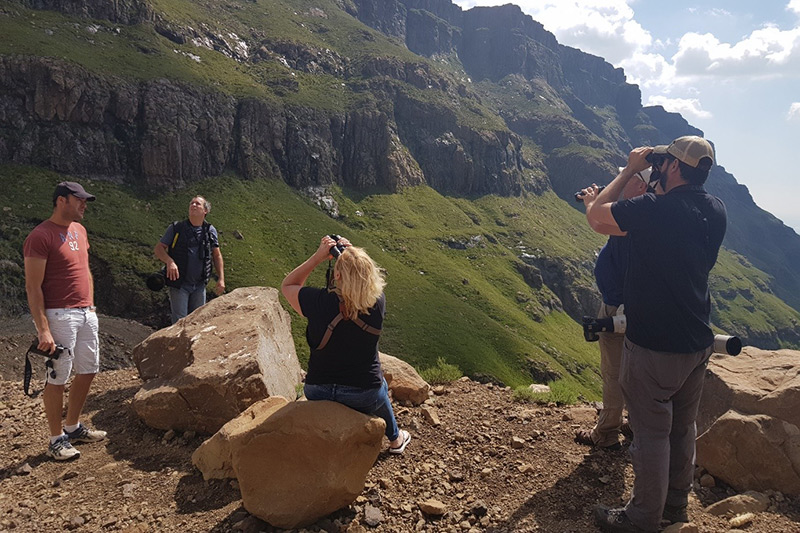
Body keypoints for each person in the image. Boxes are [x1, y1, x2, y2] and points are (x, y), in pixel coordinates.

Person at [584, 136, 727, 532]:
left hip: (654, 345)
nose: (658, 167)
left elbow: (597, 218)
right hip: (696, 340)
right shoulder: (715, 209)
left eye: (664, 162)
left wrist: (631, 169)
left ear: (676, 167)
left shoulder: (654, 210)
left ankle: (640, 518)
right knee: (683, 428)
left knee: (650, 434)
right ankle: (675, 508)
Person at [280, 235, 411, 454]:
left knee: (378, 381)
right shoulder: (377, 303)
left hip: (317, 390)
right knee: (381, 384)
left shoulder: (317, 301)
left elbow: (289, 285)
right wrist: (353, 256)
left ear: (337, 275)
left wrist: (318, 257)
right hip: (364, 394)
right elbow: (363, 284)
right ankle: (396, 440)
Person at [23, 181, 108, 461]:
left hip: (85, 312)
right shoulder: (40, 236)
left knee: (89, 369)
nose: (84, 205)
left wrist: (91, 306)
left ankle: (72, 427)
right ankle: (55, 438)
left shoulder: (80, 231)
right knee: (58, 376)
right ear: (61, 201)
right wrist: (43, 329)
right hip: (59, 314)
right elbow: (33, 288)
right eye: (79, 199)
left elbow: (86, 271)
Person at [574, 169, 652, 451]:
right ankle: (635, 423)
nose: (620, 182)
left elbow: (598, 222)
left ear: (640, 185)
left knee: (614, 373)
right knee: (638, 370)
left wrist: (592, 203)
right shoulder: (647, 213)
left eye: (627, 178)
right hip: (636, 305)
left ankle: (607, 432)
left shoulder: (635, 216)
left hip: (619, 307)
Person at [154, 196, 225, 324]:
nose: (193, 205)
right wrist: (170, 261)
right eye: (191, 203)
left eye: (197, 204)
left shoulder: (210, 230)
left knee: (197, 321)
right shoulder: (177, 228)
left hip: (199, 285)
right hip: (179, 284)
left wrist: (221, 279)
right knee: (180, 321)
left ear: (205, 211)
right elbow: (159, 249)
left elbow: (217, 255)